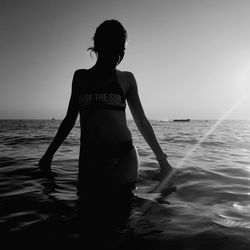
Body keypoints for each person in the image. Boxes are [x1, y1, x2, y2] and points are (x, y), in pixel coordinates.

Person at [38, 19, 173, 247]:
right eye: (114, 48)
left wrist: (162, 160)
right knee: (87, 220)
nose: (119, 54)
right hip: (90, 159)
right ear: (98, 45)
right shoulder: (80, 77)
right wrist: (48, 155)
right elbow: (70, 119)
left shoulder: (126, 79)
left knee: (121, 220)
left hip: (124, 157)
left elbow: (141, 121)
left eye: (122, 50)